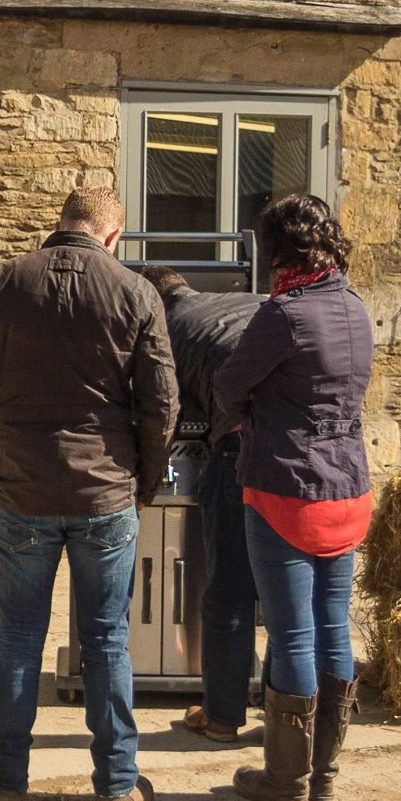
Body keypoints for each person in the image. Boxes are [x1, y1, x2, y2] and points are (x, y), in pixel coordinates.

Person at [0, 187, 177, 801]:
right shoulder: (135, 292)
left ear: (62, 223)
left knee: (19, 637)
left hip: (23, 483)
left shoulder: (5, 281)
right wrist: (145, 480)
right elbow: (162, 402)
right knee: (107, 640)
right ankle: (116, 790)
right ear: (113, 235)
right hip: (105, 488)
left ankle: (6, 786)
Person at [212, 194, 374, 801]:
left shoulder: (284, 314)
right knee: (333, 629)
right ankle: (322, 778)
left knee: (293, 635)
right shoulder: (355, 308)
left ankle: (286, 782)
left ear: (276, 250)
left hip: (286, 489)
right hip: (347, 486)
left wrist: (248, 413)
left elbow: (228, 385)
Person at [136, 266, 264, 745]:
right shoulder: (247, 304)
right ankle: (288, 721)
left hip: (238, 449)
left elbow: (164, 409)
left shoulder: (165, 328)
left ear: (151, 301)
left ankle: (222, 717)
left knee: (229, 585)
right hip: (302, 449)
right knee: (288, 593)